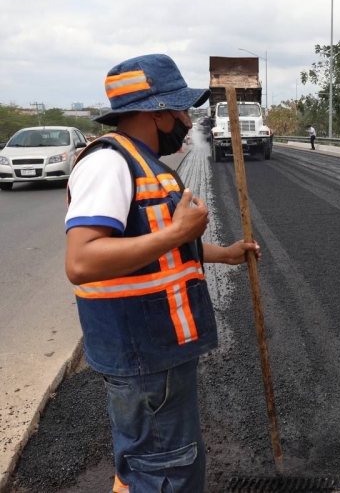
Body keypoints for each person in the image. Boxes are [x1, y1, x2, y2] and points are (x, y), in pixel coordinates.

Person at [64, 54, 260, 492]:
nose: (189, 123)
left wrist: (222, 253)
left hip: (155, 352)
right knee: (164, 470)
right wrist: (176, 234)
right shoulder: (109, 164)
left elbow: (156, 248)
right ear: (158, 112)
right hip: (141, 355)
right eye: (183, 112)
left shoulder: (142, 162)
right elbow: (82, 262)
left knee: (151, 464)